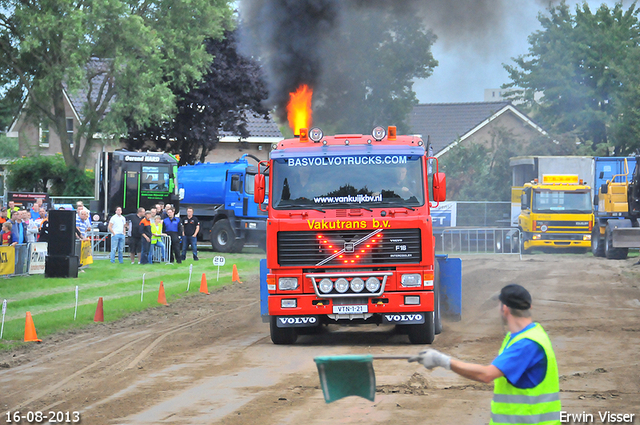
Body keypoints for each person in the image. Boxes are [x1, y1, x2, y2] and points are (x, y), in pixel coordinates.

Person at [410, 284, 561, 425]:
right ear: (530, 306)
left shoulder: (526, 344)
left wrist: (443, 361)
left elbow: (486, 375)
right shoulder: (531, 334)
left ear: (505, 309)